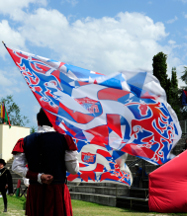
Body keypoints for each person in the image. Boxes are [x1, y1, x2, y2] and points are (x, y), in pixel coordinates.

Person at [11, 108, 79, 216]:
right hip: (57, 191)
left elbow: (16, 167)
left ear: (38, 122)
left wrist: (38, 176)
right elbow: (73, 170)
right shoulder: (65, 140)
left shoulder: (25, 140)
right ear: (54, 122)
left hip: (36, 192)